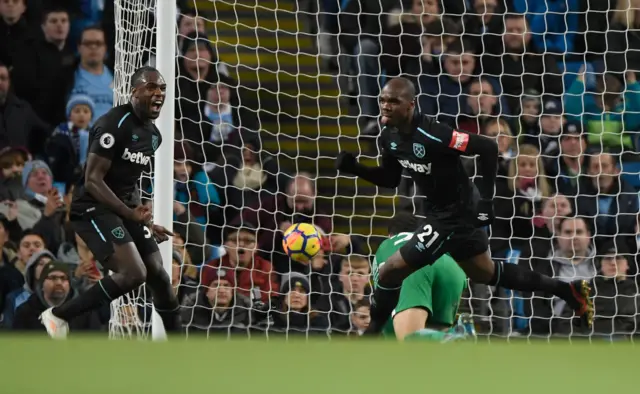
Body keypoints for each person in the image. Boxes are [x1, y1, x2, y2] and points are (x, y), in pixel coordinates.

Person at [336, 77, 593, 335]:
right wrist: (355, 168)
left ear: (411, 105)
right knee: (487, 273)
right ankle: (566, 289)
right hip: (439, 213)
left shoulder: (436, 134)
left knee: (389, 270)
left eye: (393, 101)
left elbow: (488, 148)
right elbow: (390, 179)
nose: (386, 106)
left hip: (455, 214)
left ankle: (371, 334)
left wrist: (487, 201)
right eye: (382, 100)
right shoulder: (389, 136)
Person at [39, 66, 180, 338]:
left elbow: (129, 183)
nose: (158, 93)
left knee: (159, 276)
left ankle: (178, 349)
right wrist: (129, 212)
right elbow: (92, 180)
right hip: (90, 207)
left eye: (161, 88)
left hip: (121, 207)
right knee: (134, 273)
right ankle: (57, 316)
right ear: (134, 91)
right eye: (151, 87)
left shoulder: (154, 136)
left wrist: (144, 219)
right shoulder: (111, 125)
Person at [373, 212, 472, 342]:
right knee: (436, 334)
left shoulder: (389, 244)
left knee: (409, 338)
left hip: (411, 264)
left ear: (390, 235)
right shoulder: (428, 240)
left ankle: (452, 337)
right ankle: (459, 332)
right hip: (453, 267)